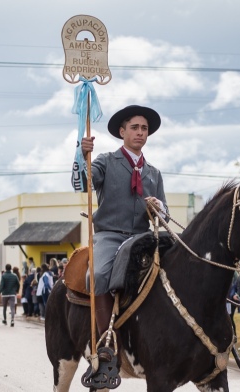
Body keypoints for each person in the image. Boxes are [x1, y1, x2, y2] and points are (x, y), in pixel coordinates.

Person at [79, 104, 168, 360]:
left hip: (143, 237)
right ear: (122, 131)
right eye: (134, 128)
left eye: (144, 128)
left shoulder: (154, 173)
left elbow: (165, 215)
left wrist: (158, 207)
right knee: (96, 274)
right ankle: (107, 342)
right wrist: (81, 155)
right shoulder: (106, 161)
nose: (140, 133)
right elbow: (84, 181)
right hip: (110, 235)